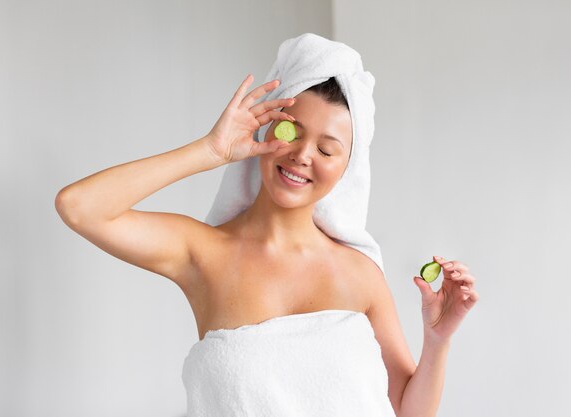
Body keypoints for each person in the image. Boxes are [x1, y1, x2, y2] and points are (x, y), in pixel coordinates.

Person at [55, 47, 479, 417]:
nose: (301, 156)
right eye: (289, 130)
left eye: (327, 149)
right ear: (264, 127)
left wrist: (438, 340)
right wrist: (209, 150)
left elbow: (408, 410)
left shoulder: (359, 272)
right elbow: (80, 207)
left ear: (347, 167)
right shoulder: (204, 252)